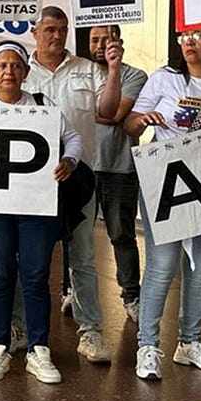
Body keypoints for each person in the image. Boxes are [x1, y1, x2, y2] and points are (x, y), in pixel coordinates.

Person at [0, 41, 83, 383]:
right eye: (2, 65)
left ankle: (38, 349)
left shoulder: (43, 104)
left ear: (25, 72)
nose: (9, 71)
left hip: (37, 205)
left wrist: (68, 162)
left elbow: (73, 140)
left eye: (15, 66)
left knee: (36, 275)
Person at [114, 27, 201, 381]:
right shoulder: (164, 79)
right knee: (163, 265)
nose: (189, 42)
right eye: (184, 36)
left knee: (199, 269)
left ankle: (190, 343)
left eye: (198, 36)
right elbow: (130, 125)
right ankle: (148, 346)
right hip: (165, 181)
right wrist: (142, 119)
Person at [22, 6, 122, 364]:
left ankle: (90, 332)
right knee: (30, 258)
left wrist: (112, 71)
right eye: (49, 29)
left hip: (79, 177)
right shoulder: (21, 70)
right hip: (29, 181)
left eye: (62, 29)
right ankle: (21, 329)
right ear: (35, 32)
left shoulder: (87, 70)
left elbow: (108, 111)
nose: (57, 35)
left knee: (82, 257)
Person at [88, 25, 148, 323]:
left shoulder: (136, 76)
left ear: (118, 42)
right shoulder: (80, 72)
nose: (99, 44)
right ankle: (70, 291)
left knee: (121, 234)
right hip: (82, 167)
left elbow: (115, 115)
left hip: (119, 168)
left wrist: (89, 111)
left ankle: (131, 295)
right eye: (94, 39)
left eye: (105, 38)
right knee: (75, 235)